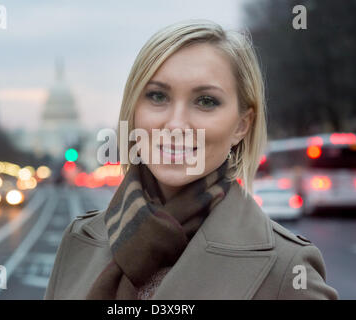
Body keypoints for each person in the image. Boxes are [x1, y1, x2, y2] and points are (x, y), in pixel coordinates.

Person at [45, 19, 338, 300]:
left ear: (241, 125)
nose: (176, 125)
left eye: (206, 101)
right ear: (134, 111)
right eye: (158, 96)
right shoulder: (79, 242)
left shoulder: (286, 269)